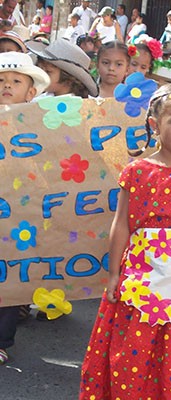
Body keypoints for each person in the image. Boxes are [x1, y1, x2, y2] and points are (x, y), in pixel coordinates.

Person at [79, 82, 171, 399]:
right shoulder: (138, 171)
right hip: (142, 278)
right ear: (154, 124)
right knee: (135, 348)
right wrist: (115, 273)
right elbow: (121, 225)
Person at [0, 51, 50, 365]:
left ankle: (2, 339)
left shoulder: (40, 127)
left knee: (8, 279)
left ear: (30, 92)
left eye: (15, 81)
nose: (7, 85)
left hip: (17, 216)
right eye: (1, 80)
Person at [26, 38, 99, 98]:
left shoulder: (80, 107)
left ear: (68, 80)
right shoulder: (38, 99)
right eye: (40, 68)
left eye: (48, 72)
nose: (41, 75)